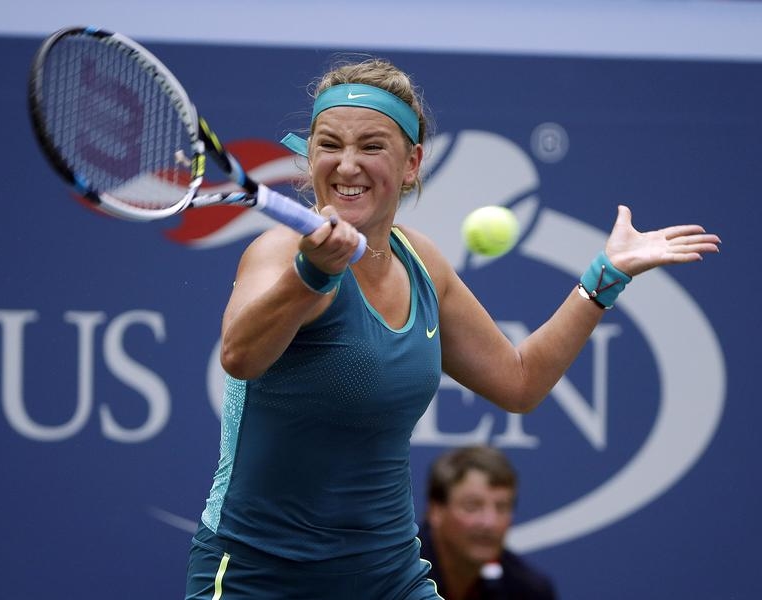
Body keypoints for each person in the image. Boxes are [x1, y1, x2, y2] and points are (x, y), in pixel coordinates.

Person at [183, 56, 720, 600]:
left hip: (388, 577)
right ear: (310, 157)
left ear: (412, 163)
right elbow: (240, 357)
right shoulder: (279, 252)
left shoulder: (423, 262)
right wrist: (312, 274)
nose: (347, 165)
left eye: (371, 146)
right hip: (259, 576)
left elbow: (519, 382)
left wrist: (606, 275)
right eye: (330, 145)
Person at [420, 446, 556, 600]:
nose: (490, 523)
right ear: (436, 511)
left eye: (502, 507)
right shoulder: (398, 577)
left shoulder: (529, 591)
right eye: (472, 506)